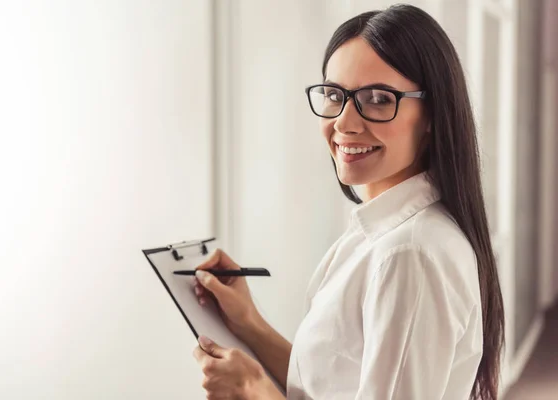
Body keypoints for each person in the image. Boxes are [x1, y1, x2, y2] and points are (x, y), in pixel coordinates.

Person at [191, 4, 505, 400]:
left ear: (431, 115)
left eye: (376, 98)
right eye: (334, 95)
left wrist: (255, 391)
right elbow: (331, 385)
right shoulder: (381, 233)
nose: (344, 122)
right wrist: (249, 323)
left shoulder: (409, 254)